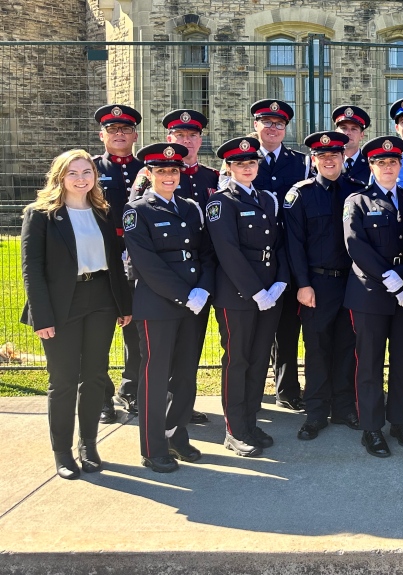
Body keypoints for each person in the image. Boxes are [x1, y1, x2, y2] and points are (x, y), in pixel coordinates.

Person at [21, 149, 133, 479]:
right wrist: (42, 316)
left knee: (96, 376)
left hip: (101, 298)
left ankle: (88, 445)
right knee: (64, 381)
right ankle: (62, 452)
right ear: (60, 177)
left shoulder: (102, 211)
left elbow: (115, 262)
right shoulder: (40, 214)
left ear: (94, 177)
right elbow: (32, 269)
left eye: (87, 172)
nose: (81, 178)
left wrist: (123, 305)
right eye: (73, 173)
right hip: (60, 303)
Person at [122, 143, 215, 473]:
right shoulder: (137, 210)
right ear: (148, 174)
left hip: (193, 304)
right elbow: (147, 265)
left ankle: (176, 433)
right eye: (161, 171)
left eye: (173, 170)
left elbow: (205, 252)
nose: (168, 176)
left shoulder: (190, 208)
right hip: (158, 305)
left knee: (186, 375)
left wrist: (203, 288)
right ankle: (152, 446)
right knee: (156, 376)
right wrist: (185, 294)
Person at [207, 136, 290, 457]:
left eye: (251, 162)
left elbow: (280, 244)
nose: (247, 168)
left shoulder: (268, 199)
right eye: (239, 164)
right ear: (228, 167)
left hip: (270, 294)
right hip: (238, 296)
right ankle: (233, 428)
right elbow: (227, 252)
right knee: (237, 360)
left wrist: (281, 282)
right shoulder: (221, 202)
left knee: (257, 361)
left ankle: (250, 422)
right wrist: (256, 291)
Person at [282, 131, 361, 441]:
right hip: (316, 284)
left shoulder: (356, 192)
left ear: (343, 157)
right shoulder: (299, 195)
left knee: (347, 347)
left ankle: (344, 407)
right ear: (313, 160)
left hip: (352, 283)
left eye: (335, 155)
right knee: (316, 349)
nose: (329, 160)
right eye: (322, 156)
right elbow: (294, 245)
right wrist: (302, 284)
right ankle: (315, 412)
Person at [342, 135, 403, 456]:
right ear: (371, 165)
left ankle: (399, 420)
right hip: (370, 293)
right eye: (380, 162)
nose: (388, 167)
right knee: (369, 363)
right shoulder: (357, 200)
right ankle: (371, 428)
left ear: (401, 165)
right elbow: (355, 244)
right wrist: (390, 278)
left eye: (393, 161)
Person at [161, 108, 220, 425]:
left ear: (200, 139)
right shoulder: (152, 176)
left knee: (192, 344)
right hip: (170, 276)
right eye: (180, 135)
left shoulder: (212, 177)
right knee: (166, 344)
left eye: (192, 135)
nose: (187, 140)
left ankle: (183, 404)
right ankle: (164, 405)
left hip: (205, 273)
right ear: (170, 139)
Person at [250, 99, 308, 413]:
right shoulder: (242, 160)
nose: (273, 128)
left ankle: (287, 389)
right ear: (256, 125)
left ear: (285, 128)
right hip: (254, 258)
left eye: (279, 123)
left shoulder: (301, 163)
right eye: (267, 122)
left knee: (287, 325)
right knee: (254, 328)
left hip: (289, 253)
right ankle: (253, 387)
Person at [92, 103, 142, 424]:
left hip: (139, 260)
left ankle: (132, 388)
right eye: (113, 130)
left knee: (136, 330)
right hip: (103, 259)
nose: (119, 134)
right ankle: (101, 395)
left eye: (125, 129)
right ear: (102, 135)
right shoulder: (92, 168)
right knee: (98, 331)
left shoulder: (146, 168)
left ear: (135, 134)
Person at [333, 105, 372, 185]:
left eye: (354, 129)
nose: (348, 133)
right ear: (336, 132)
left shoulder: (371, 164)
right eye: (344, 128)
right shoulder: (329, 162)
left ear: (362, 135)